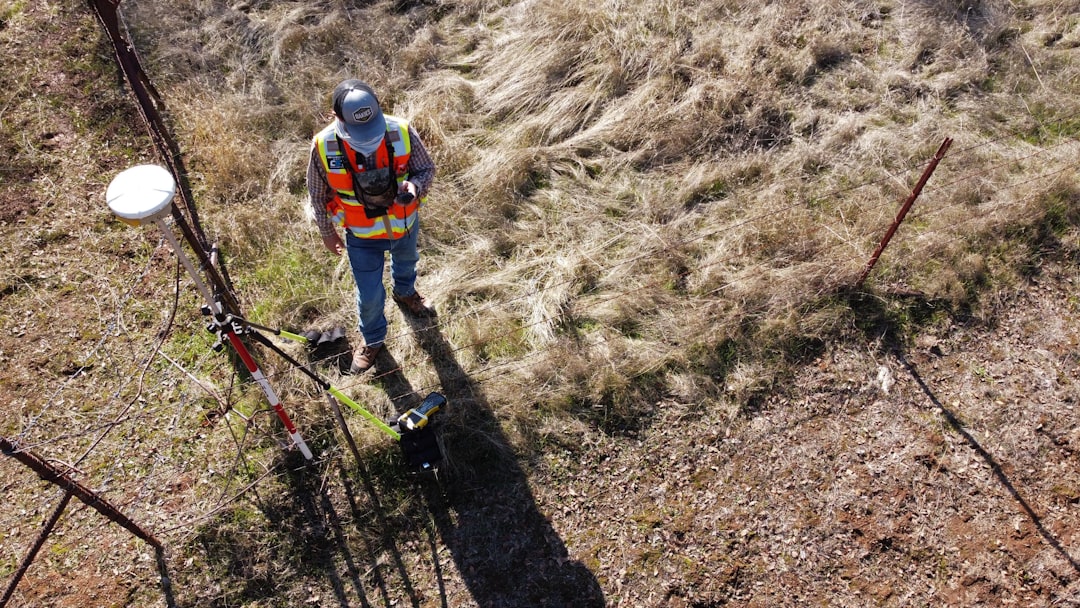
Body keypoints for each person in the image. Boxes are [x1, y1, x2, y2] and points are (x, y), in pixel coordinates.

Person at [307, 79, 437, 373]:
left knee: (407, 264)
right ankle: (373, 339)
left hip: (404, 225)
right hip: (361, 235)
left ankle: (405, 292)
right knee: (369, 296)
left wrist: (415, 187)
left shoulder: (401, 130)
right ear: (336, 117)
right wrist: (327, 232)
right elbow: (316, 194)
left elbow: (425, 168)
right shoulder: (323, 145)